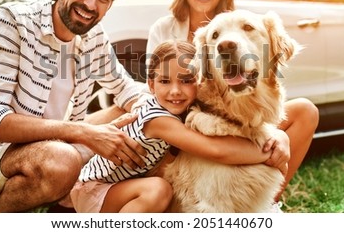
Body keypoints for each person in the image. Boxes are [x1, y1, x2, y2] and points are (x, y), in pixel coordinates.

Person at [0, 0, 151, 213]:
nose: (91, 4)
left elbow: (126, 88)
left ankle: (75, 199)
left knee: (138, 112)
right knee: (62, 161)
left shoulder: (92, 36)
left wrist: (159, 111)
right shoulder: (13, 20)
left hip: (58, 141)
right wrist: (83, 133)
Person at [147, 0, 319, 204]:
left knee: (306, 110)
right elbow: (153, 90)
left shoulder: (241, 18)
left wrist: (278, 134)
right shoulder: (165, 28)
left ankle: (267, 204)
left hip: (240, 116)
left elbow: (267, 81)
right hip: (188, 122)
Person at [70, 40, 290, 212]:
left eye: (186, 80)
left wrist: (279, 136)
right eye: (165, 82)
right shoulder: (157, 119)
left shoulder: (186, 109)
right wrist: (267, 152)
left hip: (125, 185)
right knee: (158, 190)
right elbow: (215, 150)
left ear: (200, 80)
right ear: (151, 85)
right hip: (93, 190)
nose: (176, 91)